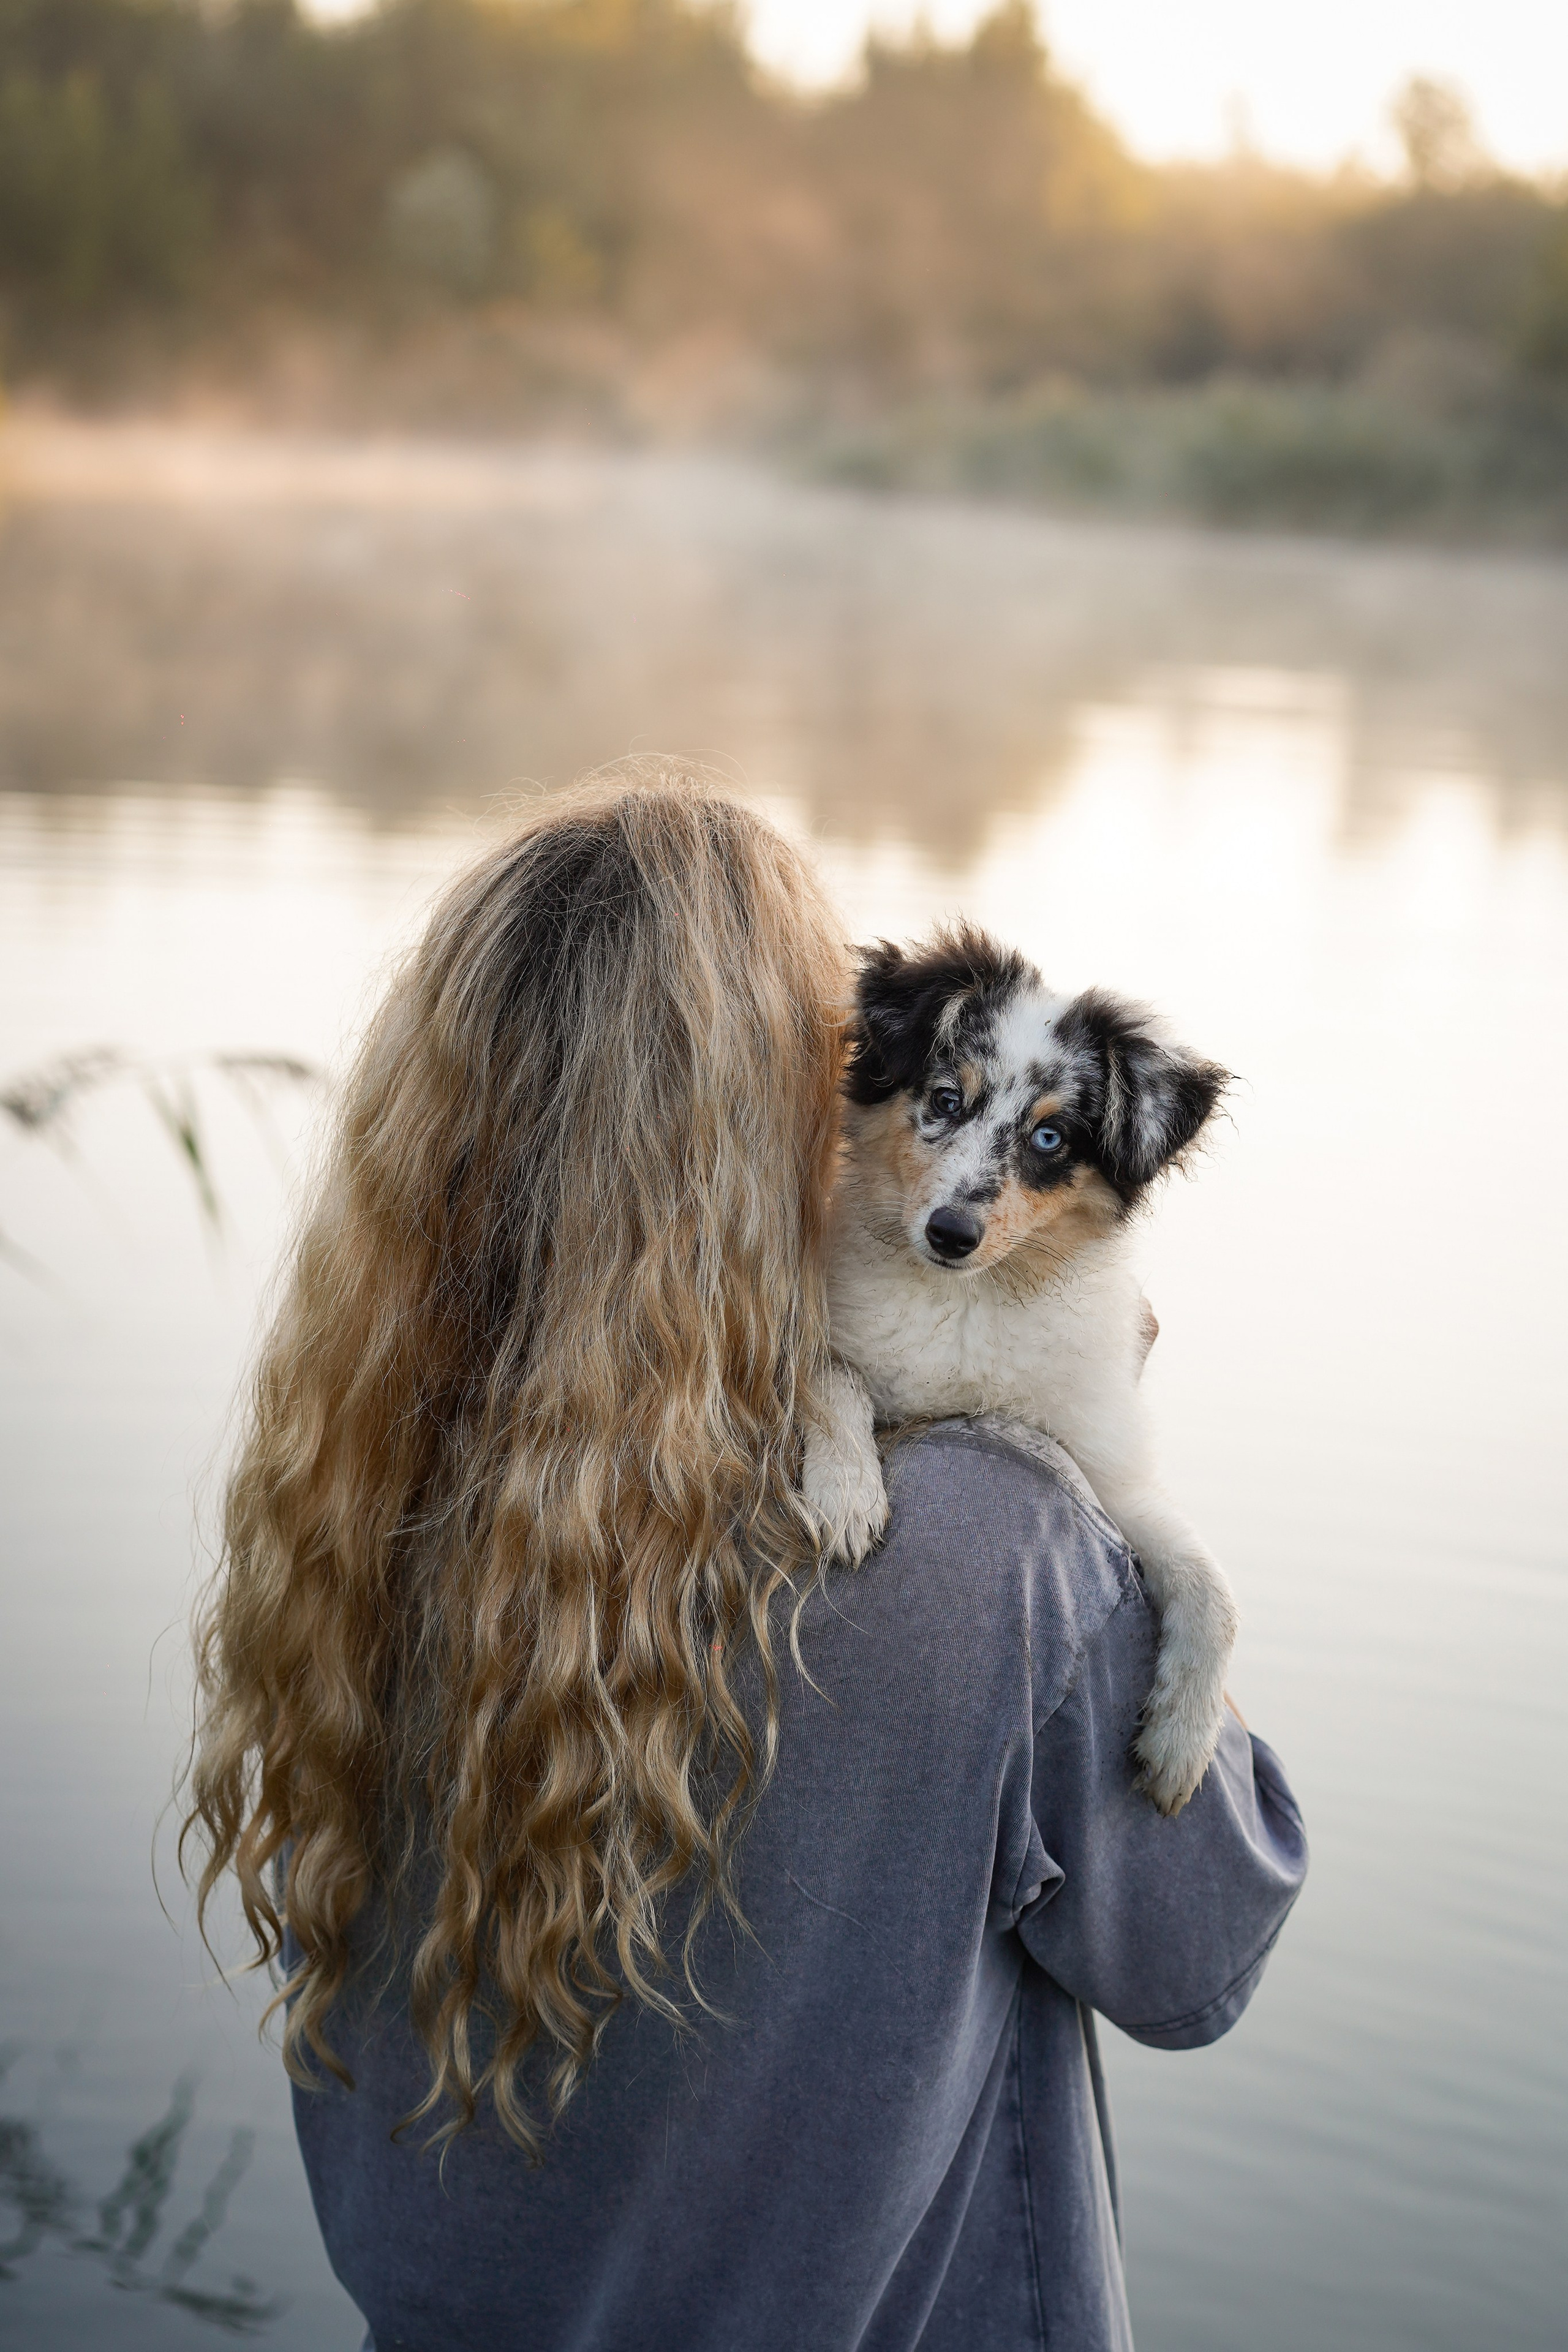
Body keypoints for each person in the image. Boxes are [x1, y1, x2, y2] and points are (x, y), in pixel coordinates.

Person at [184, 770, 1306, 2352]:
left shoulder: (356, 1516)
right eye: (841, 1057)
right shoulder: (994, 1549)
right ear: (772, 1115)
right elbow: (1206, 1948)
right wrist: (1084, 1438)